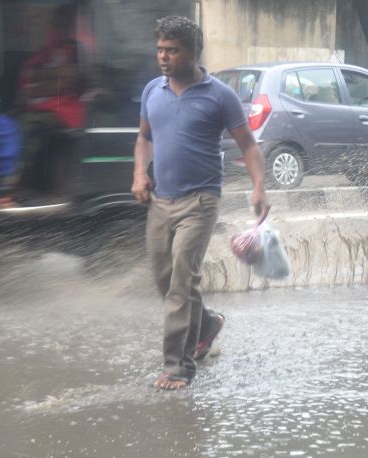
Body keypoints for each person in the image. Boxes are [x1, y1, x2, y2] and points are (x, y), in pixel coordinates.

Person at [131, 16, 268, 390]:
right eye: (160, 49)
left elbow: (248, 145)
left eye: (172, 50)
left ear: (193, 52)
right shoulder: (152, 91)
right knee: (164, 279)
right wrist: (139, 174)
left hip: (201, 201)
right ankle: (206, 323)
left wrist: (259, 187)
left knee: (180, 282)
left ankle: (178, 367)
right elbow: (144, 138)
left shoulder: (219, 95)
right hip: (161, 200)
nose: (164, 57)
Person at [0, 4, 89, 208]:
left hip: (64, 111)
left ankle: (13, 187)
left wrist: (41, 81)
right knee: (8, 123)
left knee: (24, 127)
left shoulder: (77, 51)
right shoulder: (49, 49)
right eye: (57, 22)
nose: (59, 26)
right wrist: (44, 80)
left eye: (65, 22)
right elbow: (27, 77)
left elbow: (65, 80)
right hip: (38, 107)